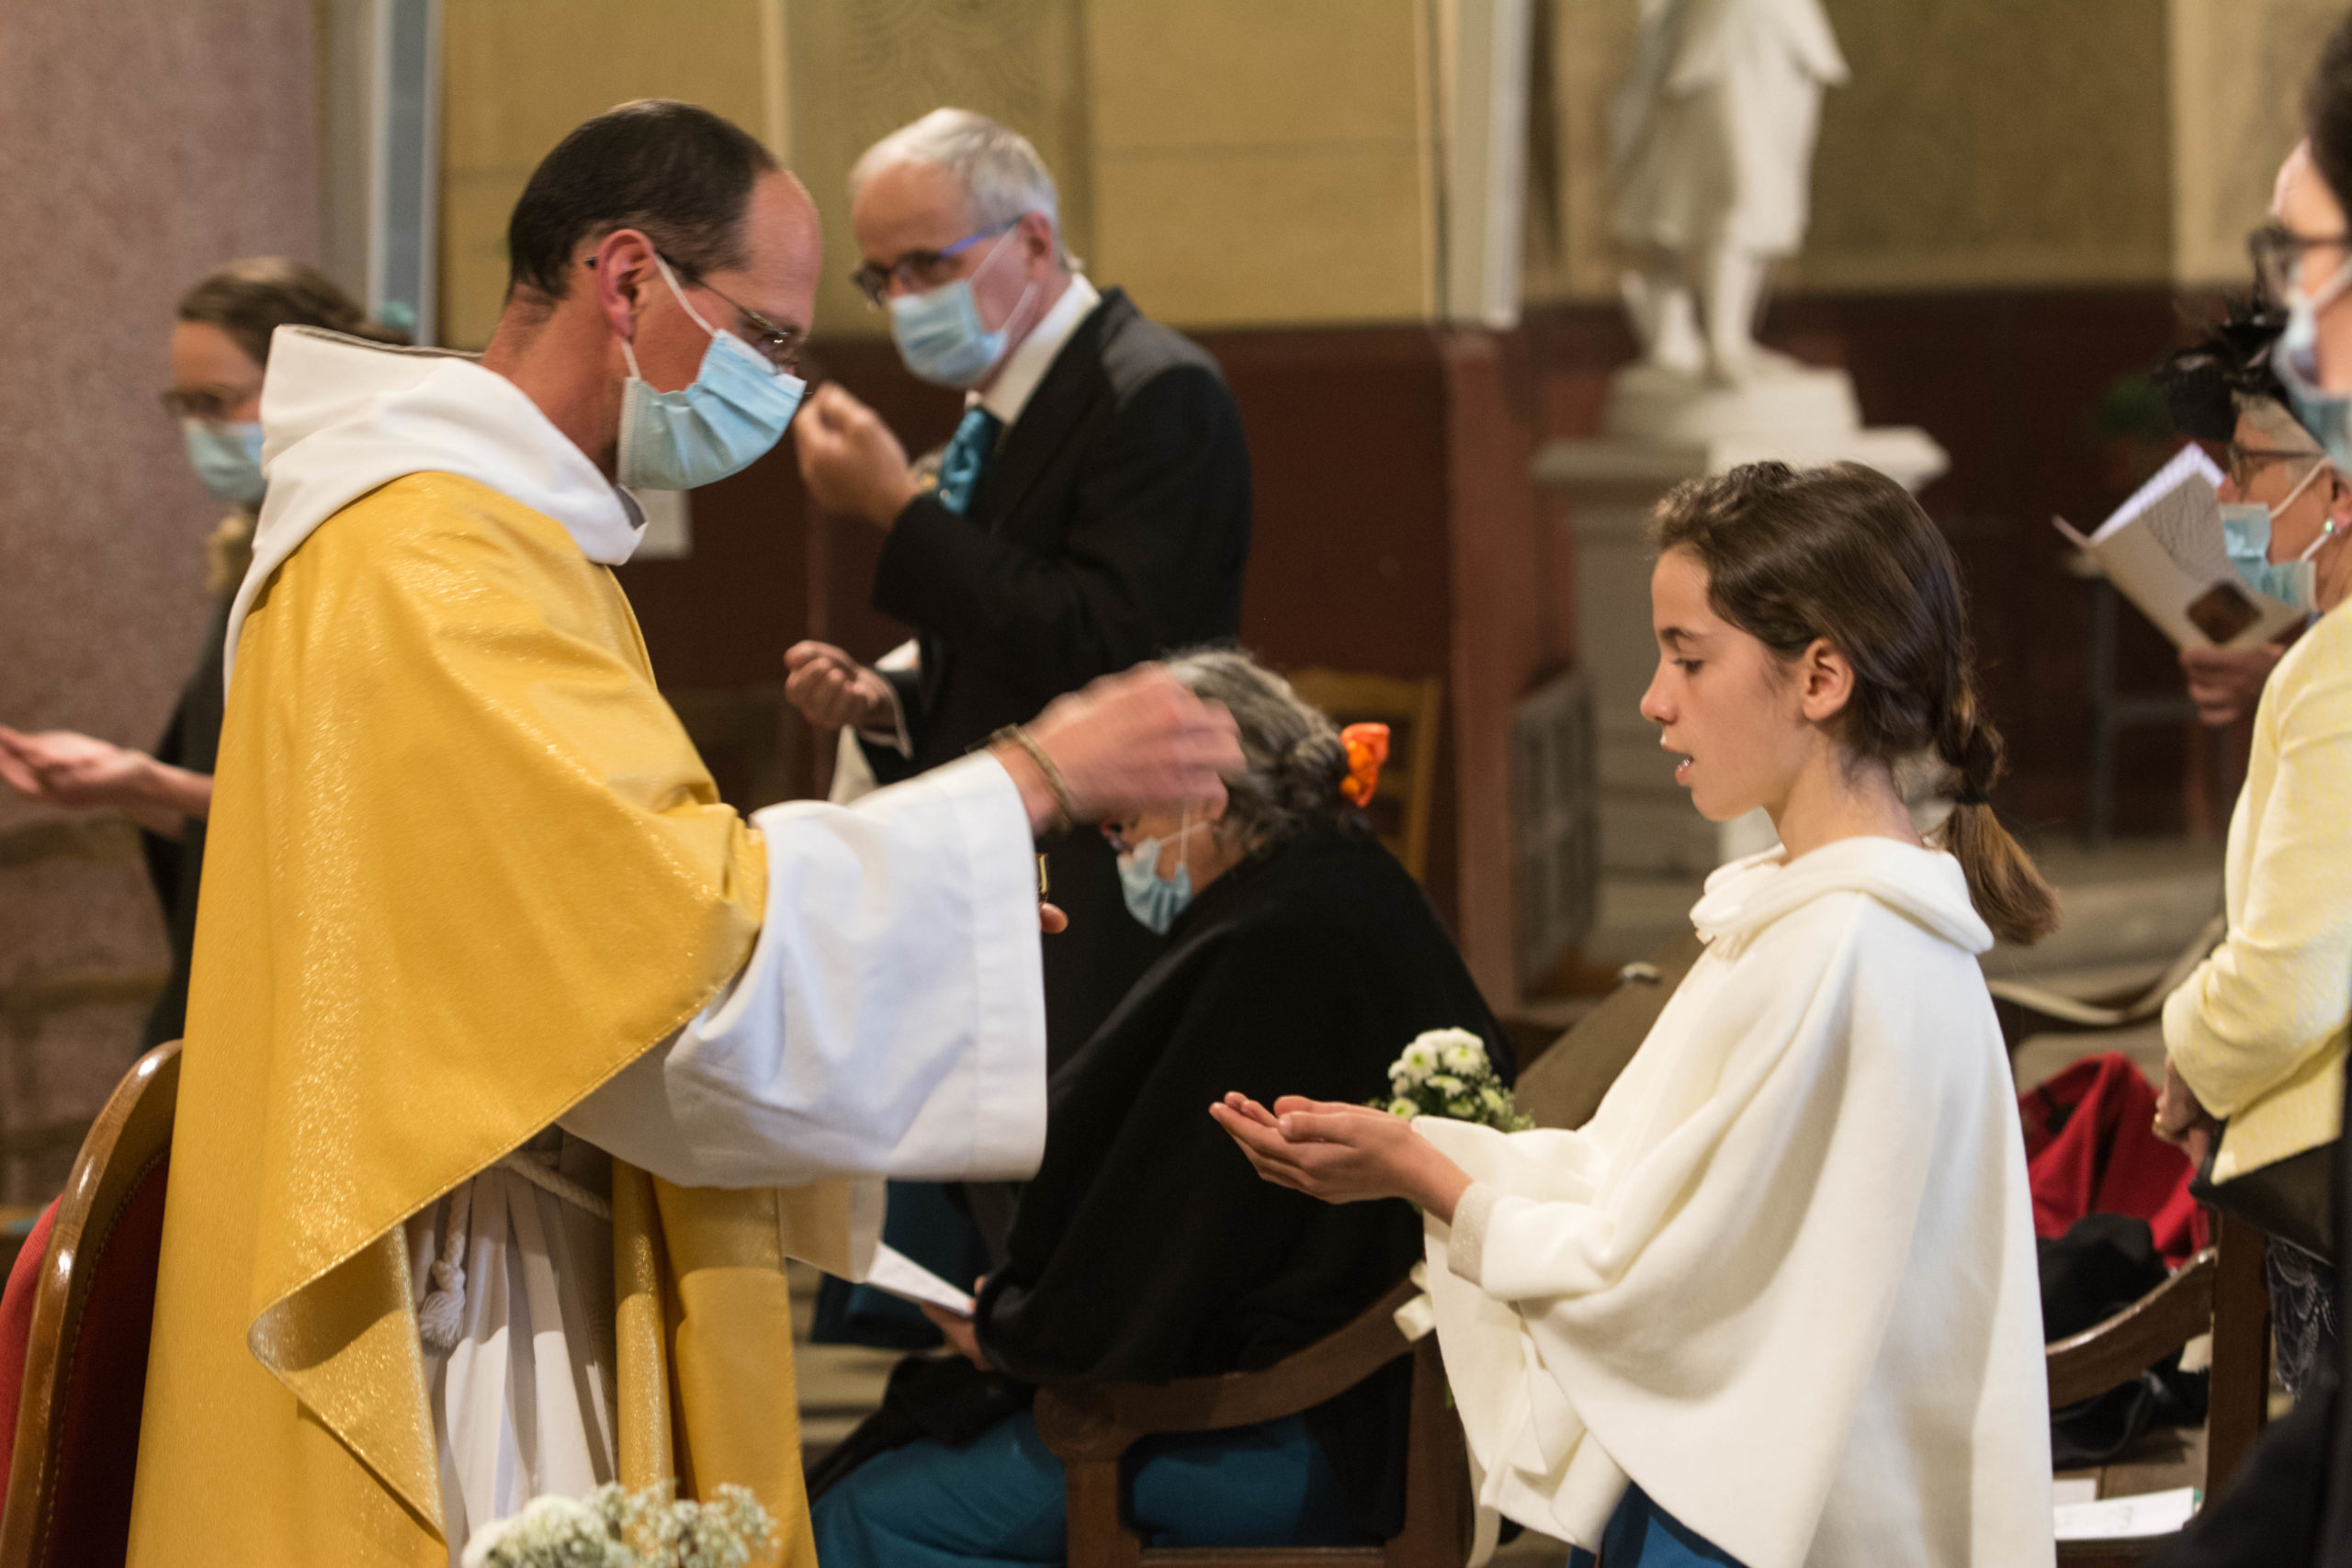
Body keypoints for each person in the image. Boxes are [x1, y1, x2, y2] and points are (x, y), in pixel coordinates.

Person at [125, 100, 1241, 1568]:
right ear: (629, 280)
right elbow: (658, 928)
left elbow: (608, 881)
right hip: (462, 1264)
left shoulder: (493, 533)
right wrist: (1029, 778)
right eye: (768, 335)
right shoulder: (432, 553)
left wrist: (925, 909)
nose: (782, 386)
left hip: (517, 1186)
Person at [1217, 462, 2058, 1567]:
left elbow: (1673, 1283)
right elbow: (1645, 1192)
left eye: (1688, 658)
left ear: (1819, 677)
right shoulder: (1805, 917)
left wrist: (1427, 1178)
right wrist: (1424, 1154)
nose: (1655, 699)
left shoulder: (1848, 946)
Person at [808, 649, 1510, 1564]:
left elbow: (1161, 1229)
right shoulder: (1339, 879)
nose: (1122, 850)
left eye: (1128, 822)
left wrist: (1012, 1327)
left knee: (861, 1518)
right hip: (1371, 1398)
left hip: (1302, 1429)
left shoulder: (1272, 944)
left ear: (1204, 797)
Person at [785, 107, 1254, 1345]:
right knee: (972, 1249)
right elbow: (1003, 647)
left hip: (1110, 878)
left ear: (1032, 241)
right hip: (1008, 864)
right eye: (879, 277)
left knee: (1056, 1234)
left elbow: (1116, 651)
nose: (901, 300)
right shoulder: (1002, 407)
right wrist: (893, 704)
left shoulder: (1153, 391)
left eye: (925, 264)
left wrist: (897, 514)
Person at [0, 259, 402, 1046]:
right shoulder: (255, 552)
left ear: (310, 383)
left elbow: (342, 809)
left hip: (324, 1006)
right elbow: (221, 827)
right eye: (183, 406)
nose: (199, 430)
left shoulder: (358, 552)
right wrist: (125, 785)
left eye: (216, 402)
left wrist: (146, 779)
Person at [2154, 133, 2352, 1406]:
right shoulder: (2323, 657)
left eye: (2252, 468)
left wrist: (2189, 1047)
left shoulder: (2340, 669)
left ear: (2338, 485)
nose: (2228, 494)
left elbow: (2293, 974)